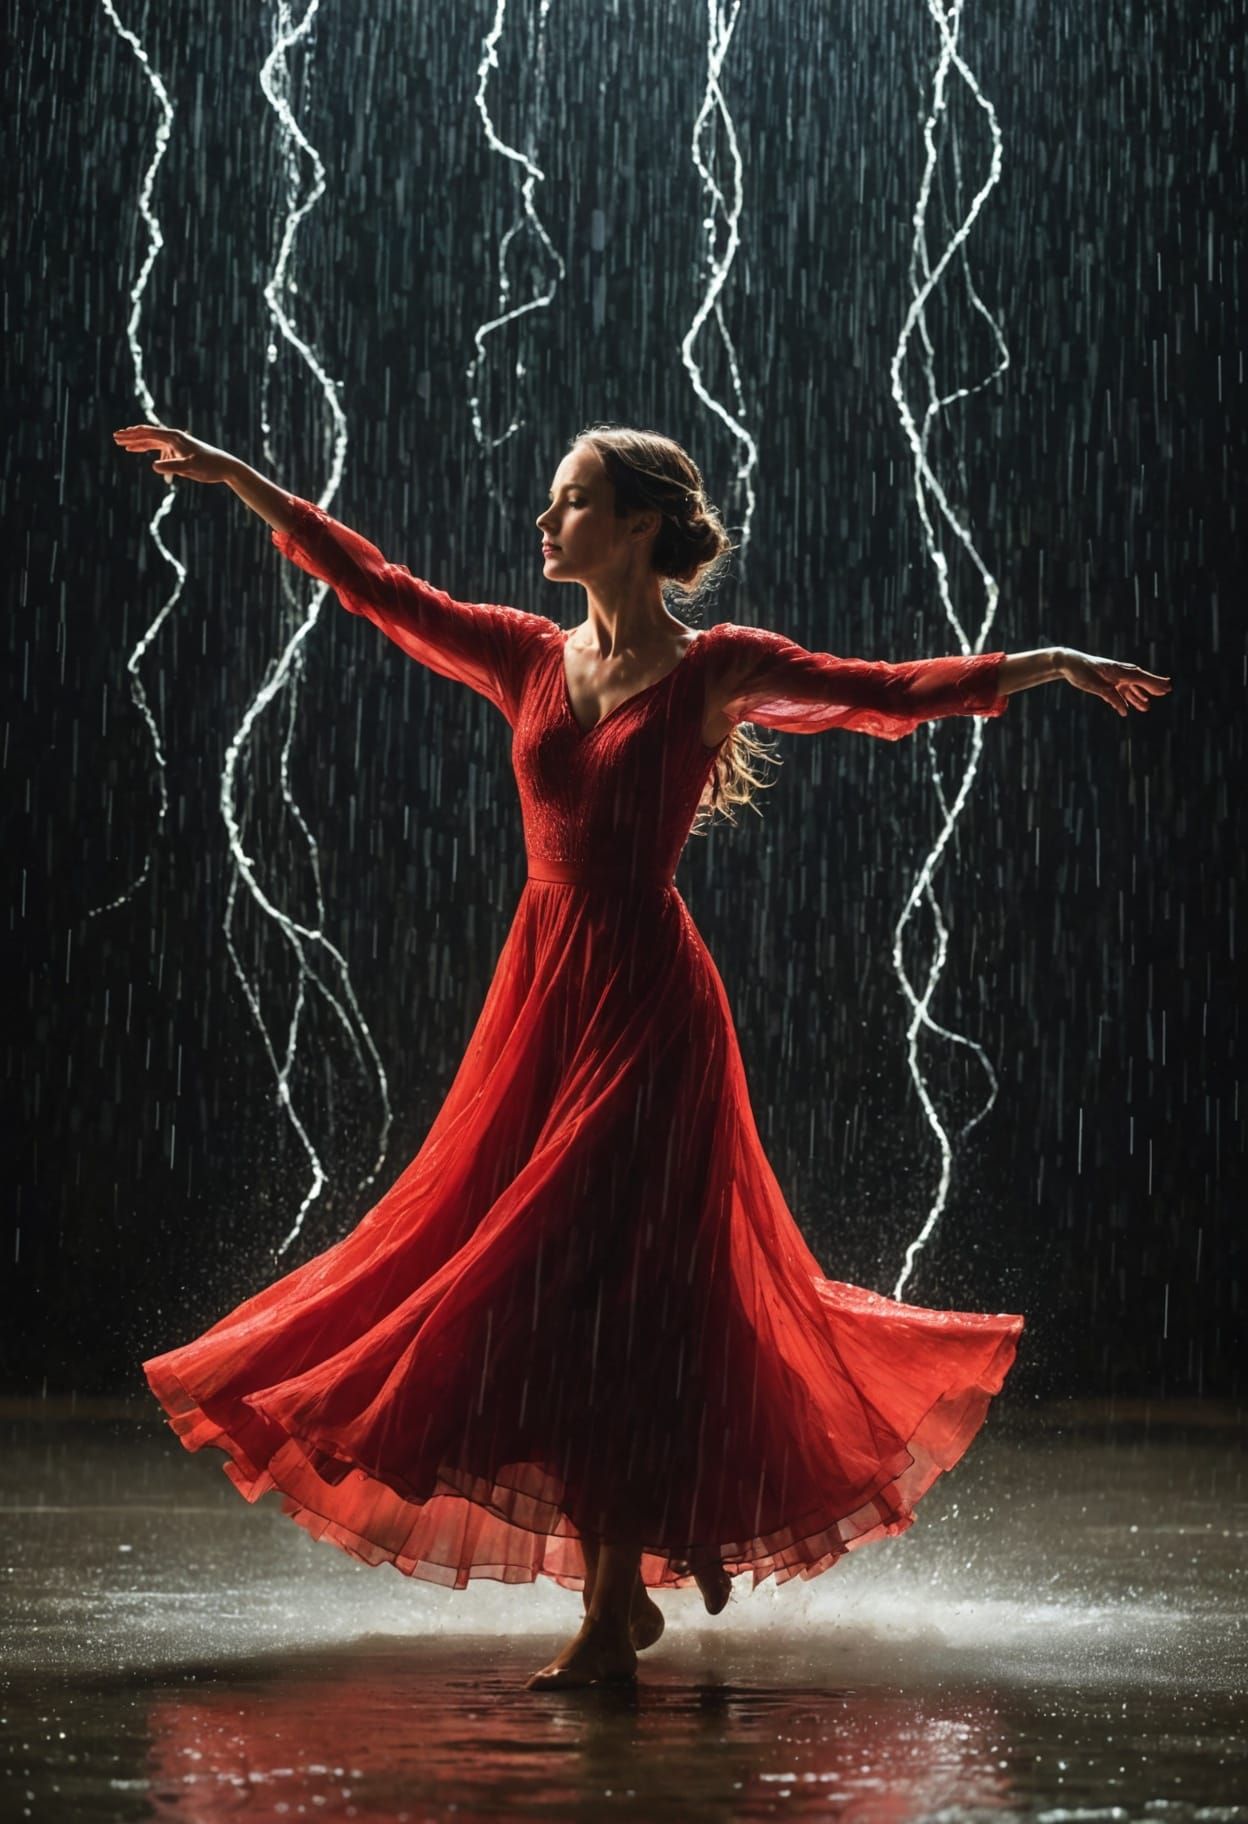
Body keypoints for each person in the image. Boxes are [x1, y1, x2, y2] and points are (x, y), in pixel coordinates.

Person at [114, 420, 1171, 1691]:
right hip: (543, 1005)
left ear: (638, 527)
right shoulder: (524, 653)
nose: (543, 521)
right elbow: (378, 587)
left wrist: (1040, 664)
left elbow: (880, 691)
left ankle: (612, 1616)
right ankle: (651, 1552)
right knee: (533, 1286)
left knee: (631, 1303)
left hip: (653, 1014)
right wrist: (243, 481)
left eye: (570, 502)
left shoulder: (715, 667)